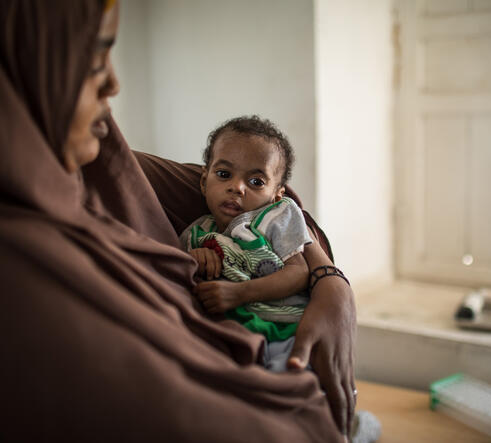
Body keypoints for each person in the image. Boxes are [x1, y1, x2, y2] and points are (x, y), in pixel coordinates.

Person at [0, 1, 356, 441]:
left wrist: (332, 283)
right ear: (29, 71)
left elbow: (289, 211)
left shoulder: (102, 163)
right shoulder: (24, 270)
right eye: (93, 61)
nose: (114, 83)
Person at [180, 116, 330, 372]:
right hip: (231, 330)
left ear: (276, 194)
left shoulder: (276, 216)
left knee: (290, 383)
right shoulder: (196, 233)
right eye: (224, 174)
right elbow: (177, 269)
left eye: (256, 182)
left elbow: (299, 272)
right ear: (205, 182)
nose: (237, 187)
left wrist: (239, 293)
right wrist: (196, 257)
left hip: (284, 329)